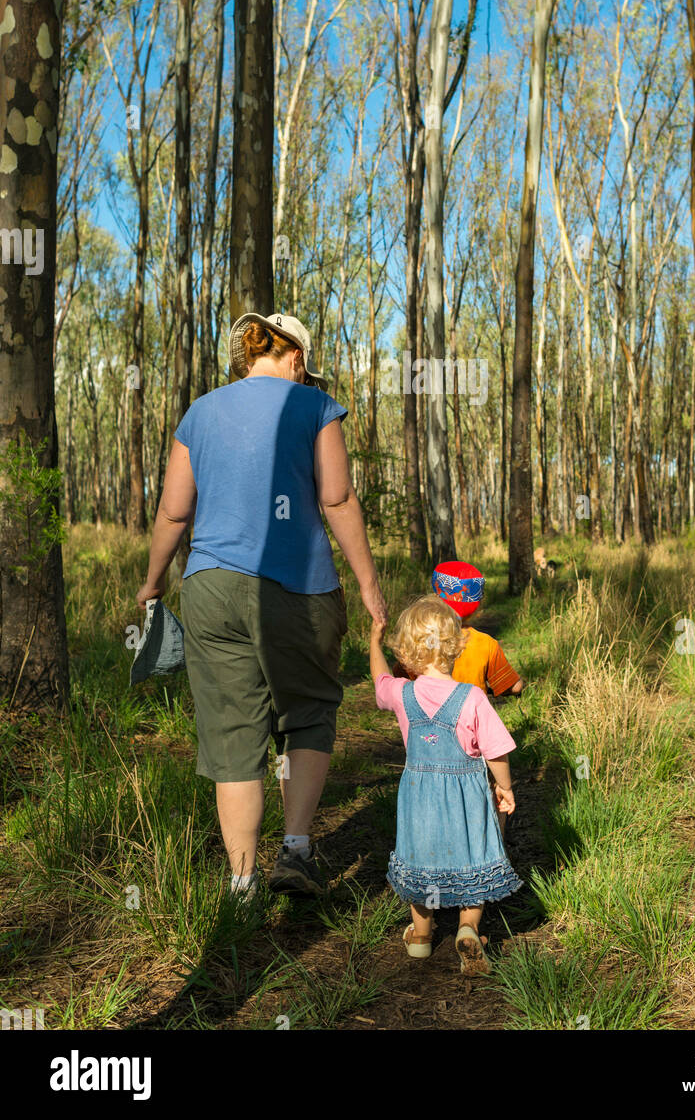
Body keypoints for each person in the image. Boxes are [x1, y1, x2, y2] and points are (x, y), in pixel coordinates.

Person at [136, 311, 387, 903]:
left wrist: (152, 583)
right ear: (297, 359)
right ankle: (296, 851)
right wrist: (370, 587)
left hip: (211, 589)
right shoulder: (314, 407)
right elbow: (338, 497)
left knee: (232, 735)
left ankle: (242, 885)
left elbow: (174, 512)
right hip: (298, 588)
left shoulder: (200, 413)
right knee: (308, 711)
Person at [370, 596, 522, 975]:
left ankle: (420, 937)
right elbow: (496, 751)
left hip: (419, 799)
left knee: (422, 859)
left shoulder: (403, 694)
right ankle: (468, 929)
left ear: (406, 653)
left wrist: (374, 641)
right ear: (455, 646)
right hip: (467, 798)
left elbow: (378, 683)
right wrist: (505, 788)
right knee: (473, 859)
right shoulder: (471, 697)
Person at [392, 561, 523, 834]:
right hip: (470, 739)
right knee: (487, 795)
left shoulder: (418, 642)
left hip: (424, 740)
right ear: (477, 602)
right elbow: (513, 686)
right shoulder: (486, 644)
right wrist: (518, 684)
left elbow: (399, 680)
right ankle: (493, 849)